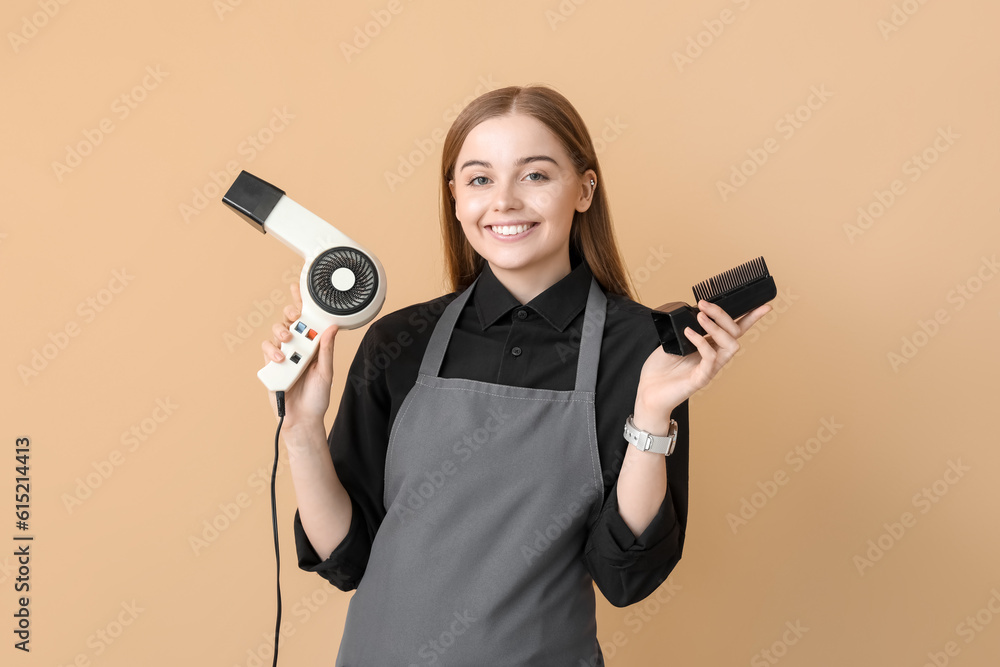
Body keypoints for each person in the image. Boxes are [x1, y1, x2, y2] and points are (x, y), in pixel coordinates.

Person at [261, 84, 772, 665]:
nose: (503, 201)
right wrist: (302, 431)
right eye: (479, 179)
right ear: (454, 198)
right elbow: (348, 559)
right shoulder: (400, 340)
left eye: (534, 175)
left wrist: (652, 413)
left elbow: (625, 575)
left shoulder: (640, 349)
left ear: (584, 190)